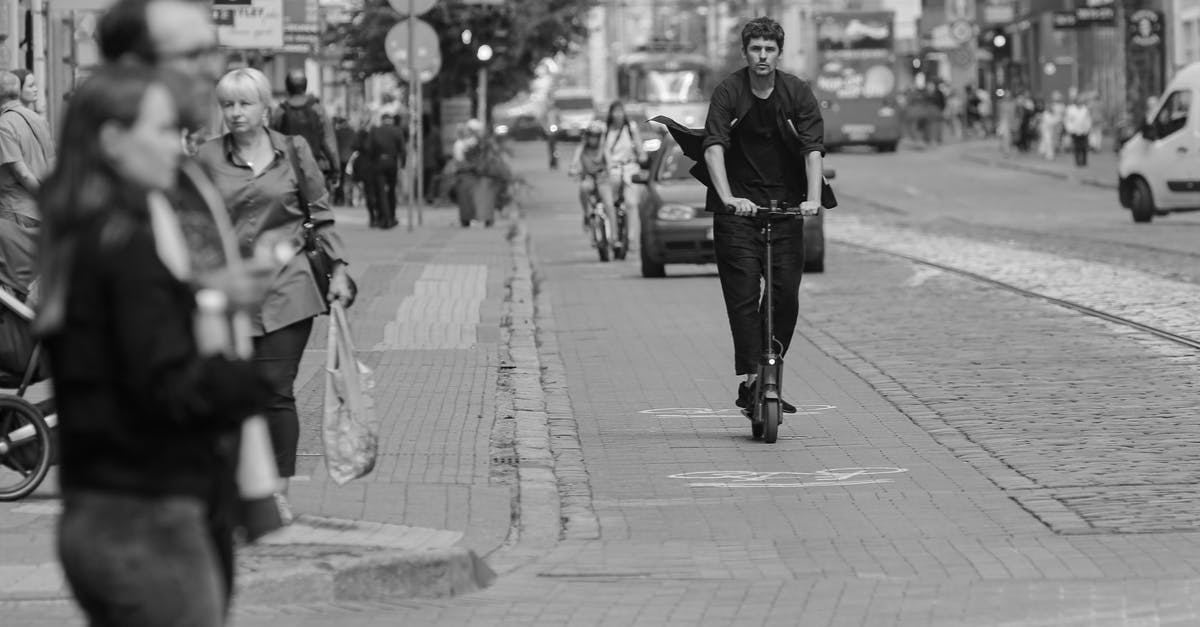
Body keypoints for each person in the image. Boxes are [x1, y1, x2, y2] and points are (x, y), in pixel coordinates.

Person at [38, 64, 271, 627]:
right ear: (115, 141)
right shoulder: (127, 243)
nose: (178, 145)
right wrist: (249, 383)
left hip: (97, 507)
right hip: (148, 519)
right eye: (163, 131)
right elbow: (164, 384)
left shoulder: (79, 230)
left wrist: (208, 302)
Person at [196, 67, 355, 525]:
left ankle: (277, 497)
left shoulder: (293, 150)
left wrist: (339, 269)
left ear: (266, 108)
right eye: (227, 104)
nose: (235, 113)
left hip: (289, 287)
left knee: (275, 392)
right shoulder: (206, 157)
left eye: (244, 104)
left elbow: (320, 214)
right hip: (228, 293)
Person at [657, 17, 825, 414]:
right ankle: (753, 379)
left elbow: (812, 149)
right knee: (744, 295)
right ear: (745, 52)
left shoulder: (797, 93)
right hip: (737, 212)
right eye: (755, 49)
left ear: (778, 53)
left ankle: (769, 369)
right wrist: (729, 196)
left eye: (769, 49)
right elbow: (714, 145)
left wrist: (812, 199)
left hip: (785, 208)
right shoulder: (730, 91)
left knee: (785, 295)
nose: (762, 56)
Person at [0, 70, 54, 300]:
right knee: (34, 285)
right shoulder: (37, 119)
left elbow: (21, 173)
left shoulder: (4, 125)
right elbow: (52, 163)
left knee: (15, 291)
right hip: (39, 216)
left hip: (16, 215)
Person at [270, 69, 340, 191]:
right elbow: (329, 143)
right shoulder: (318, 109)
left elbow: (270, 142)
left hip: (287, 172)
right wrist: (335, 170)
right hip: (315, 168)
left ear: (287, 87)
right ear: (305, 86)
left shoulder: (280, 112)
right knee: (317, 207)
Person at [602, 100, 646, 252]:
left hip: (630, 168)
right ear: (611, 113)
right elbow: (605, 151)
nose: (618, 114)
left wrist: (642, 157)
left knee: (631, 203)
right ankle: (611, 233)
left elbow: (640, 148)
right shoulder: (606, 130)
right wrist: (608, 165)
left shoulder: (631, 128)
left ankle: (631, 238)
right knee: (609, 202)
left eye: (620, 111)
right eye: (615, 111)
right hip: (613, 169)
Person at [568, 120, 614, 232]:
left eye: (596, 136)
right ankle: (586, 214)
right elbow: (574, 161)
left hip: (602, 180)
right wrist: (573, 169)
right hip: (589, 178)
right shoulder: (582, 148)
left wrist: (610, 169)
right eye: (591, 136)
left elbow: (609, 162)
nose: (593, 139)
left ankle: (614, 235)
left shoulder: (603, 147)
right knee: (583, 188)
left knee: (609, 205)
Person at [365, 112, 405, 229]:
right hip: (392, 163)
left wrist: (373, 159)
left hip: (378, 163)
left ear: (382, 120)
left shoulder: (375, 130)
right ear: (391, 120)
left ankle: (384, 217)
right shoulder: (397, 131)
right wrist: (402, 164)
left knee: (381, 191)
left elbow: (368, 147)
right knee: (391, 190)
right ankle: (392, 217)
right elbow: (402, 150)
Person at [1064, 95, 1092, 167]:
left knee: (1084, 146)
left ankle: (1084, 162)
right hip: (1074, 130)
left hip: (1084, 130)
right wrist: (1070, 129)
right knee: (1076, 147)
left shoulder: (1085, 109)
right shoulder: (1070, 109)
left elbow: (1088, 119)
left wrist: (1088, 128)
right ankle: (1077, 162)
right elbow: (1067, 120)